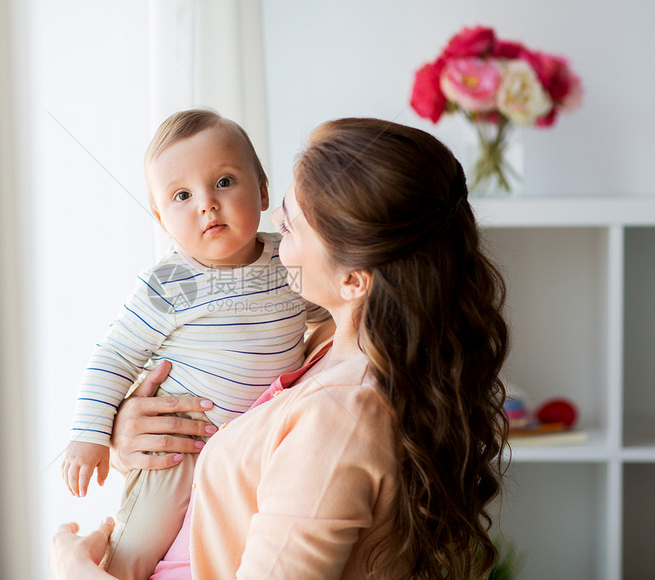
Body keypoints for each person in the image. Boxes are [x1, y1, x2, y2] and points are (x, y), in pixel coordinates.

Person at [52, 117, 510, 579]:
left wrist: (77, 573)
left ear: (352, 280)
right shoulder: (331, 347)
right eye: (182, 196)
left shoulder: (342, 414)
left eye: (292, 223)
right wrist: (121, 428)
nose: (274, 223)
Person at [62, 109, 328, 578]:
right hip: (180, 442)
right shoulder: (171, 282)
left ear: (263, 191)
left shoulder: (286, 262)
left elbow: (327, 312)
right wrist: (90, 435)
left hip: (252, 448)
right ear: (162, 218)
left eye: (224, 182)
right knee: (139, 546)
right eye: (183, 195)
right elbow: (115, 356)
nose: (207, 203)